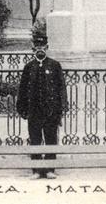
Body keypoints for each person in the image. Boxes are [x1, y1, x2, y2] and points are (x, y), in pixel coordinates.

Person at [16, 33, 68, 179]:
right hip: (34, 110)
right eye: (37, 46)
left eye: (43, 46)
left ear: (47, 47)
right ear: (33, 48)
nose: (40, 49)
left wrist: (62, 107)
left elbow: (61, 87)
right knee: (35, 138)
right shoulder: (29, 67)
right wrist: (22, 108)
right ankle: (37, 170)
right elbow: (22, 89)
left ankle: (50, 169)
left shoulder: (55, 65)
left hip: (51, 110)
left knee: (51, 137)